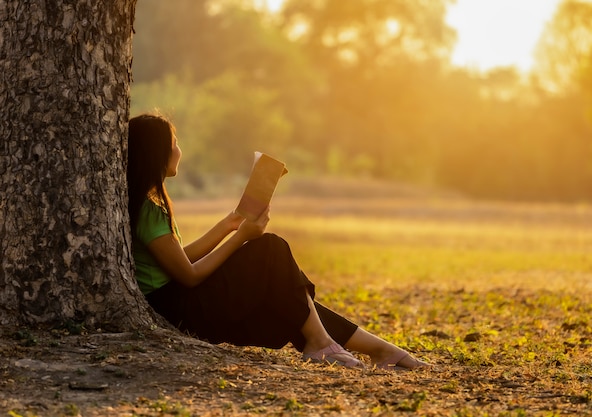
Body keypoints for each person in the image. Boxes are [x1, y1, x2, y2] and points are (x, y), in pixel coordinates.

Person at [127, 113, 431, 370]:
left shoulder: (148, 206)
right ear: (158, 153)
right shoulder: (149, 210)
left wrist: (229, 224)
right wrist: (242, 238)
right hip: (176, 310)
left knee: (288, 293)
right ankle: (321, 343)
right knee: (271, 248)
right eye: (175, 143)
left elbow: (180, 259)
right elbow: (189, 275)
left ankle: (377, 349)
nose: (180, 150)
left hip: (175, 302)